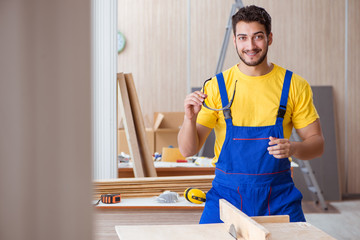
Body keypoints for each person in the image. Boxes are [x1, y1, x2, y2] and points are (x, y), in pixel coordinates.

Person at [178, 5, 324, 223]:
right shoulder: (217, 86)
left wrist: (293, 148)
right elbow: (188, 150)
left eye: (258, 37)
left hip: (279, 198)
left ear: (269, 38)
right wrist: (189, 119)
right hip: (225, 197)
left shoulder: (294, 85)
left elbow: (317, 144)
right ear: (235, 40)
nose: (250, 45)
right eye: (243, 38)